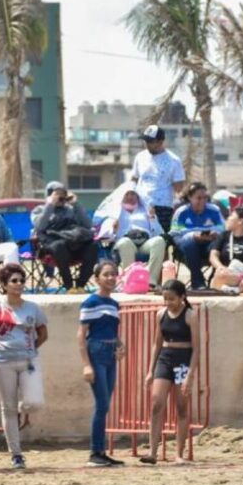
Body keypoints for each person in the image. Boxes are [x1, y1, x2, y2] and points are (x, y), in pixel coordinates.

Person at [0, 263, 47, 470]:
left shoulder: (32, 307)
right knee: (7, 407)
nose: (19, 284)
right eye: (14, 281)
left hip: (26, 360)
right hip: (1, 362)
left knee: (33, 402)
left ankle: (21, 419)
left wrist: (30, 349)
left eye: (21, 280)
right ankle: (16, 453)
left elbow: (43, 333)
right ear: (5, 285)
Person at [141, 279, 199, 465]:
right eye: (165, 299)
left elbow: (197, 348)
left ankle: (179, 453)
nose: (168, 303)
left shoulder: (190, 315)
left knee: (181, 406)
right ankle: (152, 451)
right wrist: (150, 370)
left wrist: (190, 375)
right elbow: (156, 343)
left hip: (183, 359)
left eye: (172, 299)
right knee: (157, 403)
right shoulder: (161, 314)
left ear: (182, 297)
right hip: (165, 358)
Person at [77, 260, 126, 467]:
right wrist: (86, 364)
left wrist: (120, 344)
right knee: (102, 403)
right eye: (106, 274)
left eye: (114, 274)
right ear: (97, 279)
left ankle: (100, 450)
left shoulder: (114, 304)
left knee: (105, 404)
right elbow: (81, 335)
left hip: (109, 352)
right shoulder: (90, 302)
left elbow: (112, 330)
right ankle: (95, 451)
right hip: (96, 351)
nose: (111, 278)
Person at [36, 181, 97, 292]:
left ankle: (80, 285)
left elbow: (88, 225)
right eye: (56, 194)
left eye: (62, 193)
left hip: (74, 244)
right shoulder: (40, 210)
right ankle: (69, 286)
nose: (60, 197)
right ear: (49, 195)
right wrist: (50, 205)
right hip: (53, 247)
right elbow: (40, 227)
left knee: (92, 246)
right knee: (60, 246)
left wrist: (75, 204)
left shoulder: (70, 210)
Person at [101, 189, 166, 288]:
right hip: (124, 242)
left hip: (144, 242)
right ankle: (130, 280)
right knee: (125, 243)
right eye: (127, 194)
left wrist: (152, 218)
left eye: (133, 194)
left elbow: (159, 233)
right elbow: (106, 236)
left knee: (159, 241)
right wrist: (113, 229)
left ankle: (150, 282)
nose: (130, 197)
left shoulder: (145, 210)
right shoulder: (115, 212)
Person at [130, 124, 186, 232]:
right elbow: (133, 180)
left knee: (160, 241)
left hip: (162, 207)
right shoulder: (140, 157)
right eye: (145, 140)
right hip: (140, 205)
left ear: (160, 142)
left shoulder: (174, 160)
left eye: (150, 141)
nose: (147, 144)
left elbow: (179, 188)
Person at [170, 182, 225, 291]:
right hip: (187, 245)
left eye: (205, 198)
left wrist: (215, 233)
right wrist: (193, 235)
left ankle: (217, 280)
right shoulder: (182, 212)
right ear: (190, 197)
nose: (202, 201)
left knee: (221, 245)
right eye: (199, 198)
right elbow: (174, 233)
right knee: (190, 243)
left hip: (209, 242)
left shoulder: (214, 210)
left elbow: (223, 227)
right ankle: (198, 282)